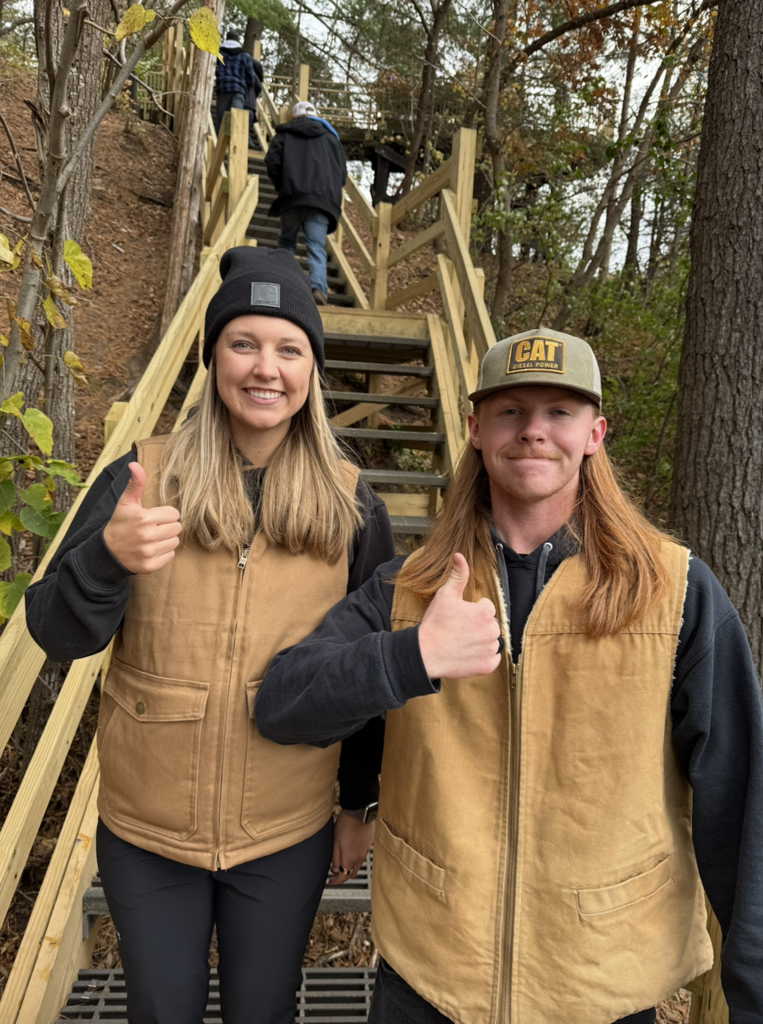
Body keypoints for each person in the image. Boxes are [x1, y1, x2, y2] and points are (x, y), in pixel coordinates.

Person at [256, 328, 763, 1024]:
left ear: (594, 432)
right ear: (473, 429)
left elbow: (737, 799)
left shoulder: (673, 592)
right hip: (429, 974)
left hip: (601, 981)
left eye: (558, 411)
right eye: (509, 411)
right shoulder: (406, 590)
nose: (533, 431)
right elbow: (283, 705)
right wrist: (413, 657)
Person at [25, 247, 394, 1024]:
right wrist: (104, 559)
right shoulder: (142, 476)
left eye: (289, 348)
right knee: (161, 1012)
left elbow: (367, 670)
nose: (266, 368)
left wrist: (356, 803)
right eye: (243, 343)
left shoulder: (352, 504)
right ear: (213, 358)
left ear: (311, 371)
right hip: (147, 829)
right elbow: (56, 630)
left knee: (262, 1012)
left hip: (285, 829)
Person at [265, 101, 346, 306]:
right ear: (315, 115)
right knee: (316, 245)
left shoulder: (285, 133)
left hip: (292, 197)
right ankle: (318, 288)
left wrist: (282, 186)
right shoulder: (331, 139)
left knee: (286, 242)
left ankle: (285, 286)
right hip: (321, 201)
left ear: (293, 116)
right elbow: (341, 174)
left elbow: (272, 162)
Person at [214, 30, 259, 135]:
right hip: (238, 90)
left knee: (220, 120)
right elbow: (250, 75)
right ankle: (235, 147)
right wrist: (247, 88)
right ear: (238, 40)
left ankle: (217, 146)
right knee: (236, 120)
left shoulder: (219, 52)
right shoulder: (244, 55)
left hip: (223, 89)